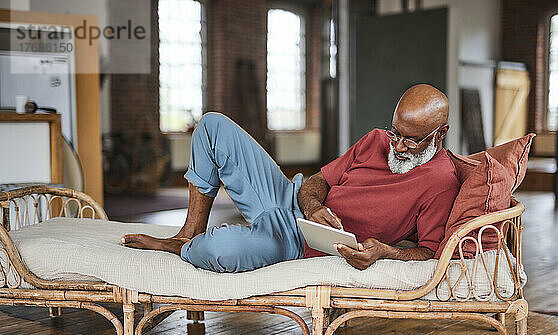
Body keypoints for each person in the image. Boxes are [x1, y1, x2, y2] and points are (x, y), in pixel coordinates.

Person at [121, 84, 459, 272]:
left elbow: (429, 250)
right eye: (395, 132)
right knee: (212, 125)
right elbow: (317, 181)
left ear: (441, 133)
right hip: (288, 198)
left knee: (219, 252)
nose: (397, 146)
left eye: (411, 140)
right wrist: (312, 207)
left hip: (301, 243)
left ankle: (193, 247)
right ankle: (188, 233)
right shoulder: (376, 139)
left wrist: (386, 252)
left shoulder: (441, 182)